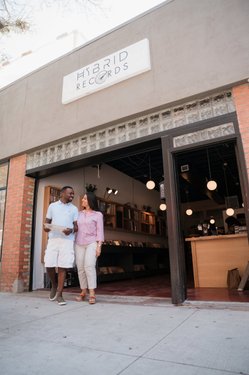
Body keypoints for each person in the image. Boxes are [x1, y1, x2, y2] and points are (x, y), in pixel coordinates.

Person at [43, 186, 78, 305]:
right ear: (62, 193)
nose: (72, 195)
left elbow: (76, 227)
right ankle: (54, 284)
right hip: (53, 239)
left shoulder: (74, 209)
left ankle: (60, 294)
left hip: (67, 241)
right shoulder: (52, 206)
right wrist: (46, 228)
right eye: (70, 193)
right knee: (49, 264)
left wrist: (71, 230)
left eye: (73, 194)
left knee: (63, 266)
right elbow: (46, 223)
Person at [75, 191, 104, 304]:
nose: (82, 200)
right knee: (80, 268)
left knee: (89, 266)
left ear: (90, 201)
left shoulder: (98, 215)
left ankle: (92, 292)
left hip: (92, 243)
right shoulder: (78, 214)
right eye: (83, 198)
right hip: (79, 243)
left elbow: (100, 231)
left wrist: (99, 246)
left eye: (85, 199)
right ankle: (83, 291)